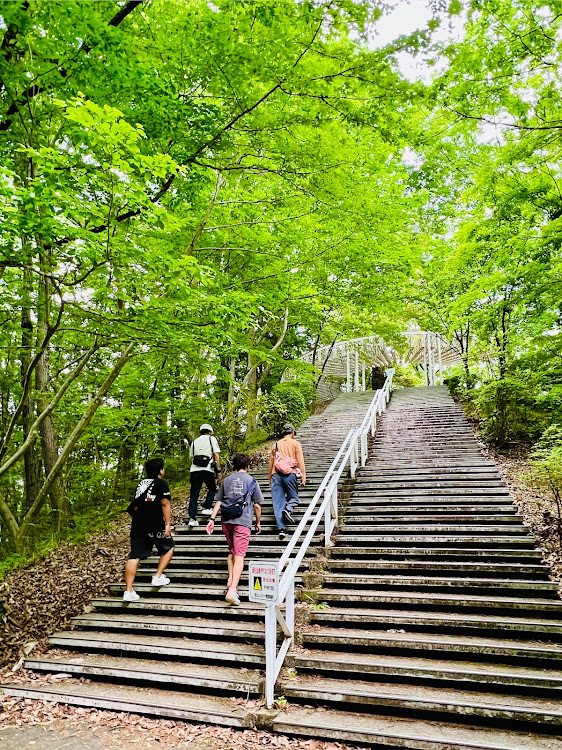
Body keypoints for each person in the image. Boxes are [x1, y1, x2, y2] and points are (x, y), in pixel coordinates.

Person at [206, 453, 263, 606]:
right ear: (248, 466)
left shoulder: (227, 480)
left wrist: (211, 519)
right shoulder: (252, 481)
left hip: (226, 520)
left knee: (232, 551)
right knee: (239, 556)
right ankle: (232, 590)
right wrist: (258, 522)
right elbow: (257, 505)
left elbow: (218, 501)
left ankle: (231, 579)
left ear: (234, 466)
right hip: (243, 521)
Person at [124, 457, 174, 602]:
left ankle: (128, 591)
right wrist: (168, 524)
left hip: (137, 524)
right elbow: (165, 503)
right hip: (154, 523)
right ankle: (157, 576)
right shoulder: (161, 484)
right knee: (168, 547)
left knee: (134, 555)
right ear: (160, 470)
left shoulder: (141, 484)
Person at [268, 423, 306, 541]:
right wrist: (303, 477)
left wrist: (270, 477)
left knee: (277, 502)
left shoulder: (276, 445)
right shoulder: (295, 444)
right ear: (293, 433)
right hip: (290, 474)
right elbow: (300, 461)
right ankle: (288, 509)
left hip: (276, 474)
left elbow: (271, 462)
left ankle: (282, 529)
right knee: (294, 497)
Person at [187, 423, 221, 527]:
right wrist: (218, 471)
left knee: (194, 494)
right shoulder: (212, 439)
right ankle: (206, 507)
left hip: (194, 470)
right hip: (207, 469)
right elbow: (216, 455)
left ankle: (192, 519)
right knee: (212, 488)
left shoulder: (194, 442)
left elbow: (191, 456)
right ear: (209, 431)